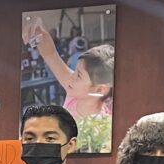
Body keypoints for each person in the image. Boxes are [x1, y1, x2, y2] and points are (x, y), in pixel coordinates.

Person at [23, 17, 114, 153]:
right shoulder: (75, 91)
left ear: (100, 89)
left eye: (78, 75)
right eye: (75, 71)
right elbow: (51, 55)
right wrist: (39, 32)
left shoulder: (106, 122)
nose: (70, 77)